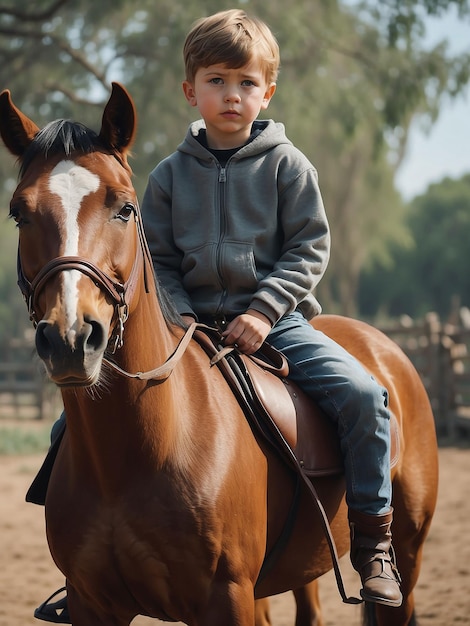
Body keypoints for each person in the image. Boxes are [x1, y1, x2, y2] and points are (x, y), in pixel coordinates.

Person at [33, 8, 401, 622]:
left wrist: (263, 311)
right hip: (190, 326)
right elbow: (159, 261)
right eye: (217, 82)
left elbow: (309, 248)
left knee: (364, 397)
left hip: (277, 323)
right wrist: (179, 320)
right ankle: (84, 567)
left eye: (247, 83)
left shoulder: (288, 166)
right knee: (71, 426)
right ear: (190, 91)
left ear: (267, 92)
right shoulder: (170, 177)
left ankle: (374, 543)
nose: (233, 96)